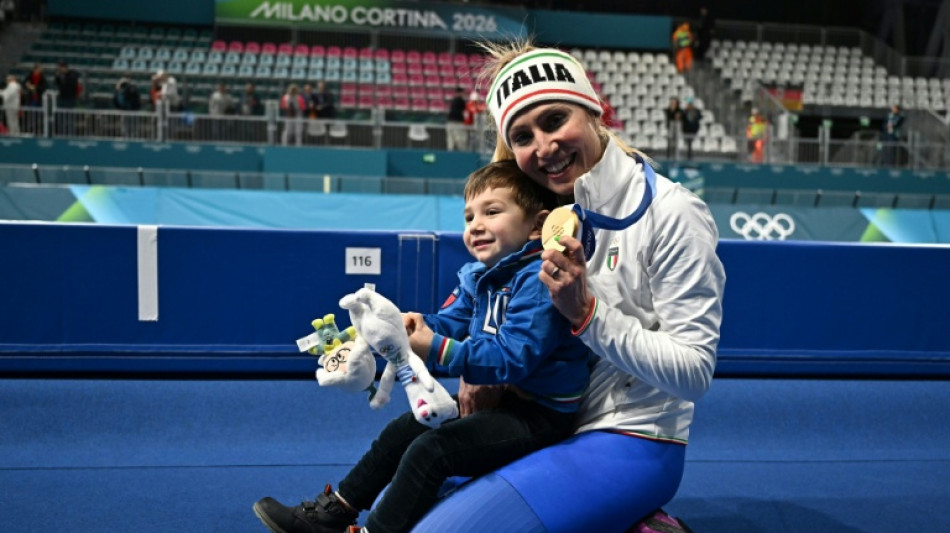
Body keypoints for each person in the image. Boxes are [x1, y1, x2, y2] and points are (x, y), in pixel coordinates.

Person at [410, 41, 725, 533]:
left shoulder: (673, 213)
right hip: (543, 425)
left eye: (555, 120)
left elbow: (694, 373)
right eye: (522, 136)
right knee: (403, 498)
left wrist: (588, 314)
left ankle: (629, 514)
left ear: (593, 110)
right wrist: (479, 366)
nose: (544, 147)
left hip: (632, 438)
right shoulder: (540, 213)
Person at [253, 159, 592, 533]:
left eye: (492, 212)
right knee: (404, 429)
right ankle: (334, 512)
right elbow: (450, 323)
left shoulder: (540, 281)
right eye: (468, 217)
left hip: (540, 414)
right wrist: (410, 327)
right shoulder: (478, 276)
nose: (476, 225)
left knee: (432, 451)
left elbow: (513, 359)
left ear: (536, 226)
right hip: (507, 400)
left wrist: (435, 346)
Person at [54, 62, 80, 135]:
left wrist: (63, 77)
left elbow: (70, 85)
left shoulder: (72, 74)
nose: (60, 70)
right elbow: (57, 84)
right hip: (62, 98)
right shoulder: (60, 75)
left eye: (61, 68)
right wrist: (58, 77)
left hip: (70, 99)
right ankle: (60, 133)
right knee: (60, 117)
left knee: (69, 118)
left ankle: (70, 134)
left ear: (65, 67)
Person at [113, 74, 141, 138]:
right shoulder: (119, 90)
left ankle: (135, 139)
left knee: (134, 127)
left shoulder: (133, 89)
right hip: (124, 111)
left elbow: (136, 99)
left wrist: (130, 88)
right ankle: (125, 138)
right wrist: (118, 88)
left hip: (133, 111)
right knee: (125, 127)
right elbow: (116, 100)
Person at [445, 87, 467, 151]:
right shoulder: (461, 101)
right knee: (459, 138)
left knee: (450, 139)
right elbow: (463, 112)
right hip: (457, 122)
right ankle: (461, 153)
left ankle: (450, 153)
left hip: (450, 122)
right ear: (460, 93)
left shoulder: (453, 100)